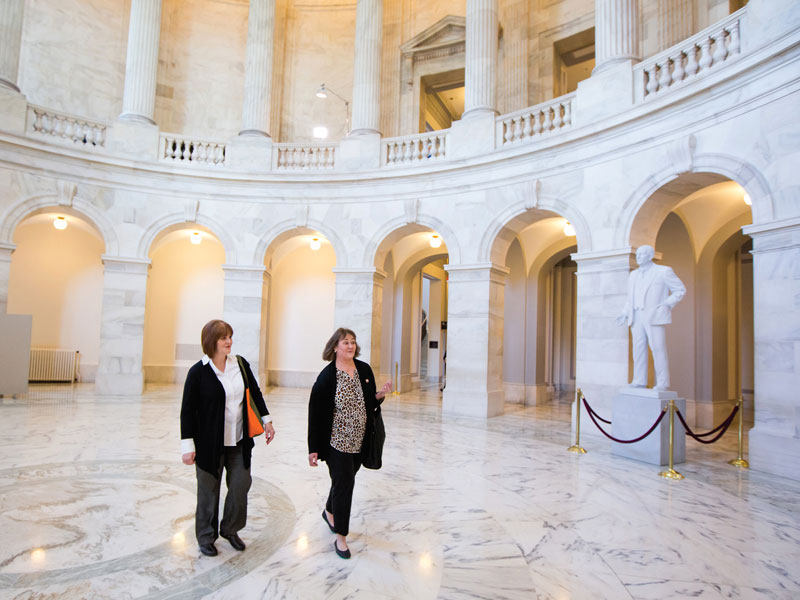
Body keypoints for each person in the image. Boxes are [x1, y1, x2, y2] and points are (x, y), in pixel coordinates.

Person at [180, 319, 276, 557]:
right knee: (208, 492)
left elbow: (254, 392)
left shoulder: (240, 364)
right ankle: (205, 537)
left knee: (241, 485)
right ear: (212, 341)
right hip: (208, 444)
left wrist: (267, 419)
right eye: (224, 338)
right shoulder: (198, 372)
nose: (229, 342)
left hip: (239, 440)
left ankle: (231, 529)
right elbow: (187, 412)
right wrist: (187, 446)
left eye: (230, 337)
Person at [307, 327, 391, 559]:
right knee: (345, 485)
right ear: (335, 347)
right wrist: (313, 447)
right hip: (336, 442)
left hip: (360, 439)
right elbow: (315, 413)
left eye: (353, 342)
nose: (351, 346)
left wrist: (380, 395)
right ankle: (341, 538)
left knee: (345, 479)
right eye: (345, 342)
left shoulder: (363, 369)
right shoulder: (327, 376)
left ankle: (329, 510)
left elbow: (369, 403)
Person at [616, 244, 686, 390]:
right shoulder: (633, 275)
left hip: (654, 315)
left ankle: (663, 382)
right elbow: (631, 297)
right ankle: (639, 380)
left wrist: (666, 304)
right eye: (637, 254)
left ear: (650, 255)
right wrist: (624, 312)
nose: (638, 257)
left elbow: (680, 290)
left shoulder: (663, 271)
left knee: (658, 349)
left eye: (642, 254)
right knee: (638, 349)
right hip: (636, 315)